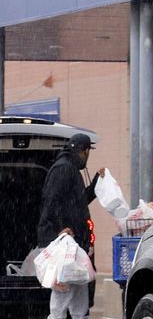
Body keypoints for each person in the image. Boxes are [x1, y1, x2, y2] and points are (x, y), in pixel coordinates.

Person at [36, 134, 98, 319]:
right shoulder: (64, 168)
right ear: (84, 151)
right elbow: (51, 200)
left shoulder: (69, 169)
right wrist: (60, 229)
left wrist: (96, 182)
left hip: (74, 243)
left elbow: (79, 202)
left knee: (79, 288)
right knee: (62, 295)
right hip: (64, 243)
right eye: (88, 153)